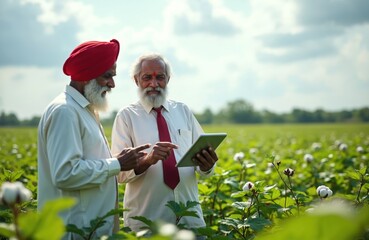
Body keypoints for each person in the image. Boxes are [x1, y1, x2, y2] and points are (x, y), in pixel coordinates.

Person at [37, 39, 150, 239]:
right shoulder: (65, 112)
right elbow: (65, 173)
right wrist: (116, 164)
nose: (112, 84)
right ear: (85, 76)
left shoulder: (84, 110)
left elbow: (89, 163)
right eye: (107, 76)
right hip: (72, 231)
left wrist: (122, 163)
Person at [111, 53, 219, 237]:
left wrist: (207, 166)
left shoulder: (183, 111)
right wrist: (148, 159)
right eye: (147, 78)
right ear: (136, 80)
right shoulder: (126, 116)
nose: (154, 84)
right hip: (147, 223)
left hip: (190, 219)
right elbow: (119, 174)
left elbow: (205, 161)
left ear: (167, 79)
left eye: (160, 77)